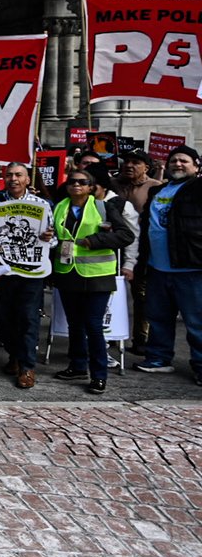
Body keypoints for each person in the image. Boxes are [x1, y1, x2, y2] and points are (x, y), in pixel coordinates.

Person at [51, 168, 135, 395]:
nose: (76, 185)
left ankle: (99, 375)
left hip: (97, 275)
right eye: (72, 182)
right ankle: (78, 366)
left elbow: (126, 235)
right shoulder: (59, 207)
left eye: (82, 182)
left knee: (93, 325)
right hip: (68, 272)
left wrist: (96, 240)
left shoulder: (102, 207)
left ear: (91, 187)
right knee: (74, 324)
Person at [135, 145, 202, 386]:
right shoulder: (158, 191)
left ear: (196, 165)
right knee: (158, 316)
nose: (178, 164)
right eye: (174, 160)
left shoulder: (198, 188)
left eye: (184, 160)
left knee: (197, 322)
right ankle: (159, 358)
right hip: (157, 267)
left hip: (191, 268)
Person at [0, 162, 55, 389]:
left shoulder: (42, 204)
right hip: (4, 271)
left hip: (32, 272)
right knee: (6, 318)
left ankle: (27, 367)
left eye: (19, 175)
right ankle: (14, 356)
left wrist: (49, 238)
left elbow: (54, 238)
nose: (13, 179)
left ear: (28, 179)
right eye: (9, 175)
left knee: (28, 317)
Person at [113, 149, 161, 352]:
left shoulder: (156, 187)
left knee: (141, 294)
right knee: (112, 292)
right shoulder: (113, 184)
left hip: (143, 247)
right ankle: (112, 334)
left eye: (135, 163)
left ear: (146, 168)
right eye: (126, 162)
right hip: (114, 246)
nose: (129, 165)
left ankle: (141, 338)